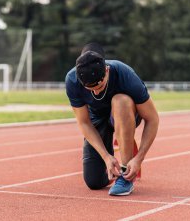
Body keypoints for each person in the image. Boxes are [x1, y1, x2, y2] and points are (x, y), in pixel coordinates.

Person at [65, 42, 159, 196]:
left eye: (100, 86)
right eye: (90, 89)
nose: (95, 92)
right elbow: (84, 122)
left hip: (125, 113)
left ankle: (126, 175)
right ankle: (119, 151)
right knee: (94, 182)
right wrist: (106, 157)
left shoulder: (124, 74)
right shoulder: (72, 80)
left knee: (120, 100)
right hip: (98, 119)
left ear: (107, 70)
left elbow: (153, 119)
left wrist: (139, 159)